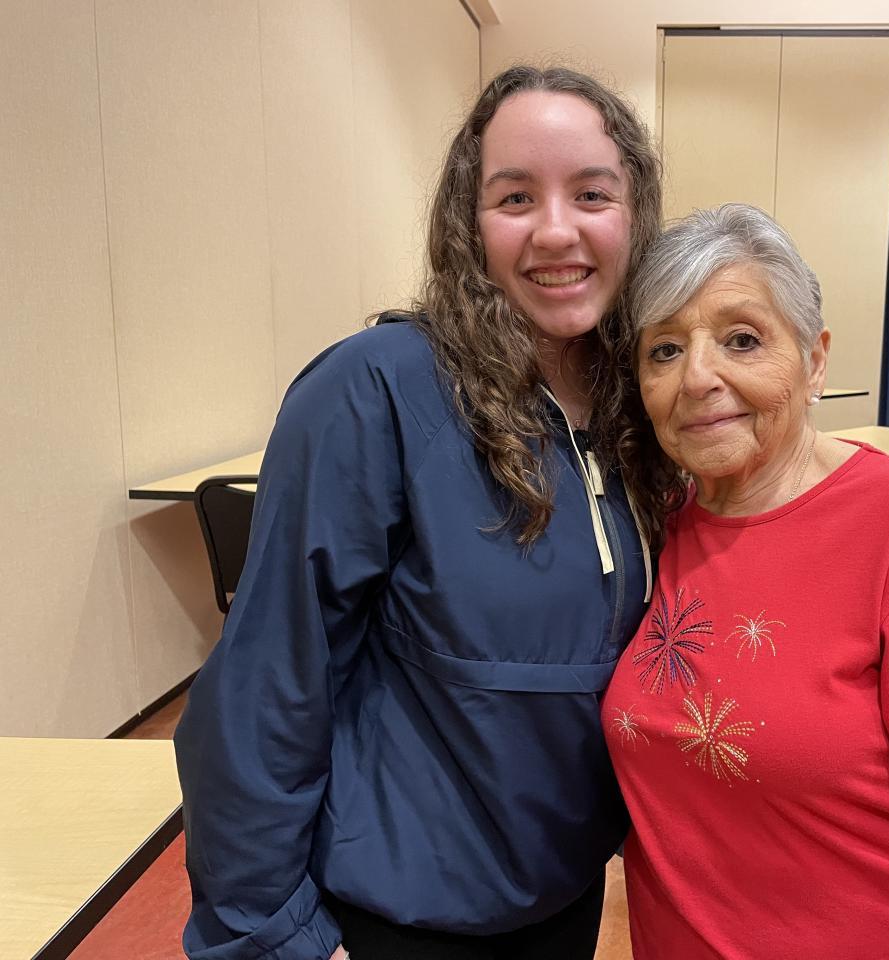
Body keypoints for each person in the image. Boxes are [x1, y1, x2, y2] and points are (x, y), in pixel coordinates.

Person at [174, 65, 676, 960]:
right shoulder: (375, 390)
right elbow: (265, 689)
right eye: (514, 197)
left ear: (634, 217)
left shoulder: (641, 409)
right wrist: (271, 937)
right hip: (395, 916)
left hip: (563, 896)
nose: (556, 230)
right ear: (467, 223)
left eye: (592, 194)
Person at [602, 203, 889, 960]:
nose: (698, 378)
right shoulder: (654, 529)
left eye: (742, 340)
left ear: (815, 361)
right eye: (665, 350)